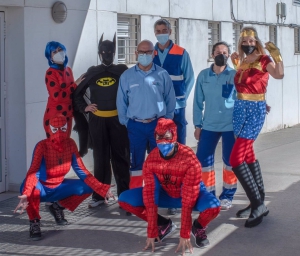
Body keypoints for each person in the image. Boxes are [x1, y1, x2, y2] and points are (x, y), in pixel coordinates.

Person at [118, 118, 220, 253]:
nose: (162, 141)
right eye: (158, 137)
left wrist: (184, 233)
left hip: (192, 195)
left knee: (213, 207)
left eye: (166, 136)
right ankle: (163, 225)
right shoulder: (152, 159)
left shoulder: (189, 158)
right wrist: (152, 230)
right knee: (125, 199)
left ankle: (198, 226)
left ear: (174, 135)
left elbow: (189, 199)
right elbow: (150, 194)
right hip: (166, 192)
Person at [14, 115, 114, 241]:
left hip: (59, 187)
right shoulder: (42, 146)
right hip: (41, 187)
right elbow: (34, 173)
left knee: (88, 186)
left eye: (63, 128)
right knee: (32, 189)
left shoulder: (70, 144)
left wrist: (101, 188)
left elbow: (81, 171)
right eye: (55, 129)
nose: (60, 133)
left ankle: (57, 206)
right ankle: (34, 222)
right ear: (49, 129)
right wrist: (27, 193)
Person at [230, 26, 284, 227]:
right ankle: (258, 201)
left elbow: (279, 75)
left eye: (252, 41)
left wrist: (277, 56)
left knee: (235, 159)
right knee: (247, 154)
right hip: (239, 109)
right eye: (245, 41)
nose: (248, 44)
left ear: (257, 42)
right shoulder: (242, 61)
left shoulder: (264, 60)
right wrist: (235, 63)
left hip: (254, 111)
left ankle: (257, 204)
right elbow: (241, 85)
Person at [73, 34, 130, 208]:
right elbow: (76, 93)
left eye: (110, 51)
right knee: (100, 158)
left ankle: (124, 195)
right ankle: (99, 195)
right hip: (98, 122)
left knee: (121, 158)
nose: (107, 54)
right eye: (104, 51)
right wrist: (84, 107)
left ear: (114, 52)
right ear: (99, 53)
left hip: (118, 121)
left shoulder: (122, 70)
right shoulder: (92, 72)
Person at [116, 40, 176, 189]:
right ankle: (136, 198)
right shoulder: (127, 76)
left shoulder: (162, 74)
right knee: (136, 164)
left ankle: (162, 195)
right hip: (135, 126)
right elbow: (121, 101)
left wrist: (166, 121)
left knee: (162, 161)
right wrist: (126, 122)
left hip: (158, 125)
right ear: (136, 53)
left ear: (154, 53)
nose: (144, 55)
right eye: (141, 52)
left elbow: (170, 98)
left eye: (148, 52)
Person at [153, 18, 194, 215]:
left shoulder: (181, 52)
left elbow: (190, 77)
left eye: (164, 30)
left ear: (170, 32)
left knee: (178, 150)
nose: (161, 33)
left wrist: (183, 98)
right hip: (158, 109)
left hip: (177, 106)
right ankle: (162, 192)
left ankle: (178, 194)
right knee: (160, 151)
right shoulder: (149, 53)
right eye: (158, 30)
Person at [193, 41, 237, 211]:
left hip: (230, 125)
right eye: (218, 52)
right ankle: (208, 195)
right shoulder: (203, 76)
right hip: (209, 125)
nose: (222, 55)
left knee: (230, 162)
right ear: (212, 55)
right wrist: (198, 125)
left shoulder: (234, 75)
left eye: (225, 52)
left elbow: (244, 97)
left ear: (228, 56)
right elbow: (198, 102)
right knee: (203, 160)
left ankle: (227, 195)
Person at [44, 41, 85, 140]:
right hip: (55, 115)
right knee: (55, 148)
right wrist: (75, 84)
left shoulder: (68, 70)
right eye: (54, 52)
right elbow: (57, 96)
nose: (58, 53)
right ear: (50, 57)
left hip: (68, 114)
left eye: (60, 50)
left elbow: (72, 93)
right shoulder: (50, 73)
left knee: (66, 147)